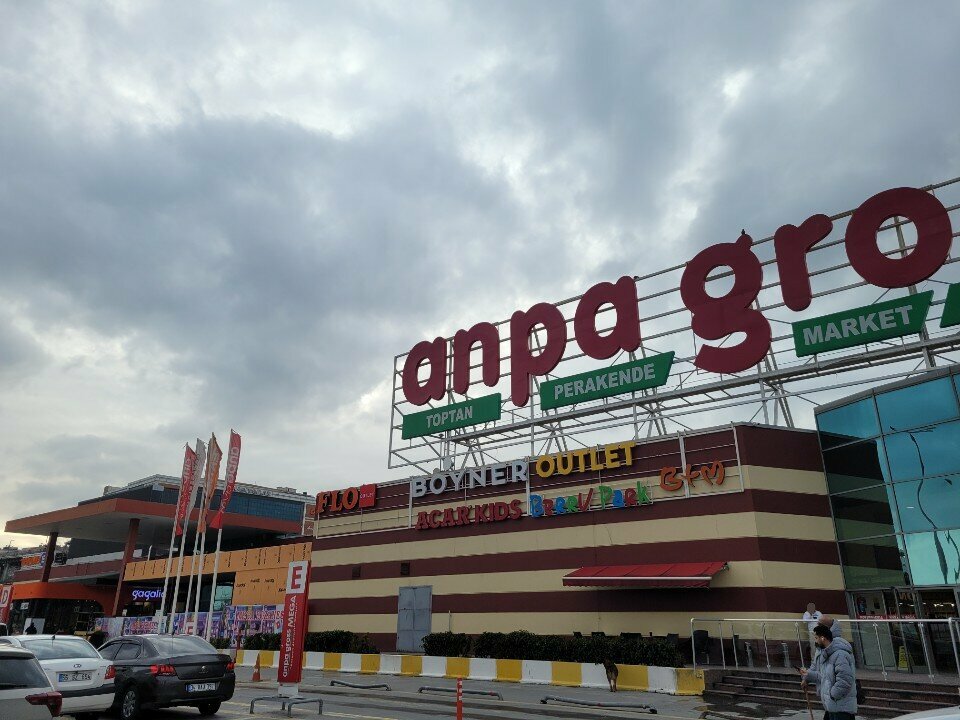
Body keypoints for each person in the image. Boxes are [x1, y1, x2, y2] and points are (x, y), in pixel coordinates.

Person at [800, 624, 857, 720]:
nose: (815, 641)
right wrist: (808, 675)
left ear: (823, 638)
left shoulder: (840, 655)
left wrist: (832, 695)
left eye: (816, 638)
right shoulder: (826, 654)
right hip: (833, 706)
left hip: (841, 708)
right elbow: (824, 677)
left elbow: (845, 680)